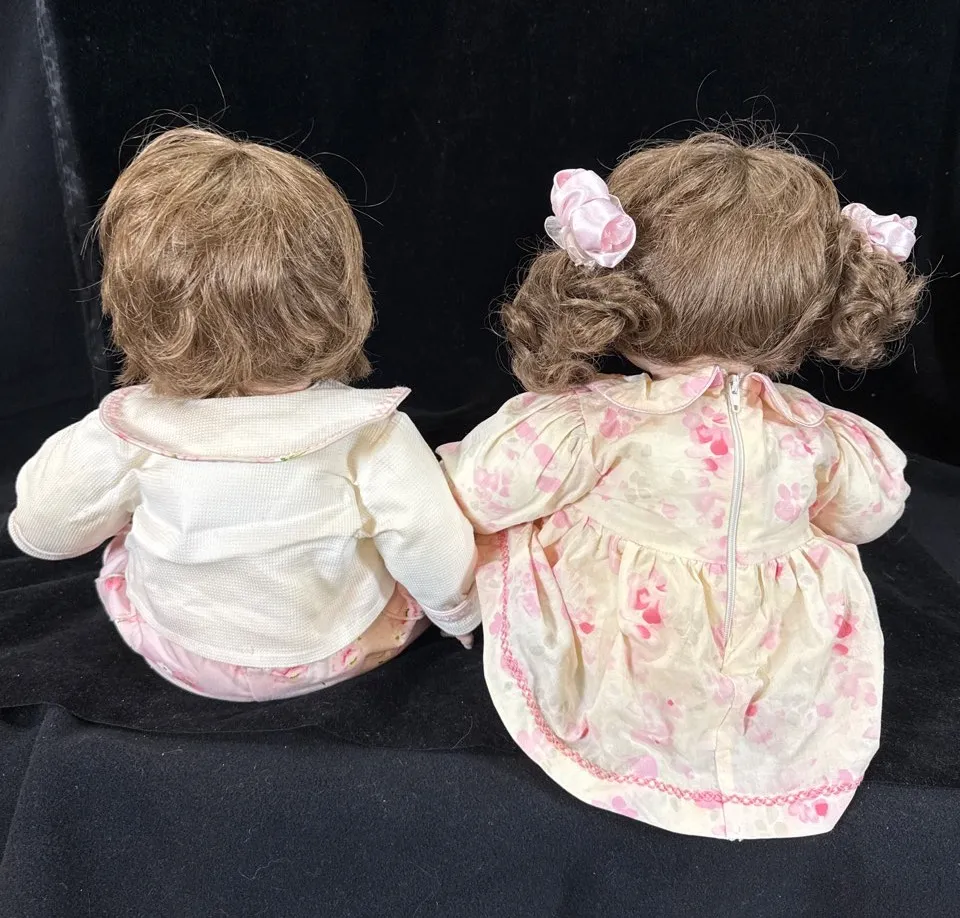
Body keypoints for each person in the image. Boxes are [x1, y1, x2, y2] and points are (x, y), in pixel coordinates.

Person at [440, 132, 924, 839]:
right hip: (780, 658)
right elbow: (870, 512)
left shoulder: (602, 423)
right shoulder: (814, 434)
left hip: (628, 651)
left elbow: (480, 491)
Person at [8, 127, 478, 702]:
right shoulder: (370, 434)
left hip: (181, 651)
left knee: (126, 542)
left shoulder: (131, 431)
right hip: (336, 649)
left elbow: (44, 532)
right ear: (338, 290)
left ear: (137, 303)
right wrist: (457, 616)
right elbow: (434, 549)